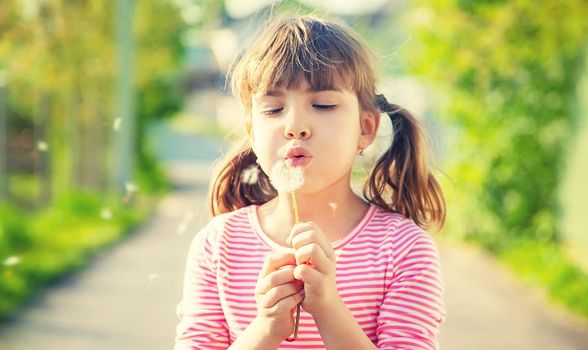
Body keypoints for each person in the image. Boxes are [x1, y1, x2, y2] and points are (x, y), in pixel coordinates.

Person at [175, 14, 447, 350]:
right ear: (251, 132)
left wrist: (328, 309)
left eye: (323, 104)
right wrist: (266, 329)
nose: (295, 126)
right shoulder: (219, 246)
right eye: (273, 109)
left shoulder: (403, 250)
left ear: (366, 128)